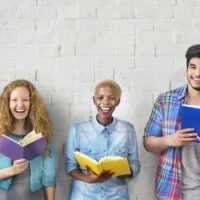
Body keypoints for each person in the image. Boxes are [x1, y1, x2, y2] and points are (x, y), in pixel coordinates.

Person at [66, 80, 140, 200]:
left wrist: (123, 170)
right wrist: (87, 179)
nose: (105, 101)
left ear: (118, 101)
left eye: (112, 98)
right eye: (100, 97)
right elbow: (70, 167)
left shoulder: (128, 129)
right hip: (84, 195)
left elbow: (135, 164)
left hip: (117, 196)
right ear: (94, 100)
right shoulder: (77, 129)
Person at [143, 44, 200, 200]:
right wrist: (170, 140)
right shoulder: (166, 101)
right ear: (187, 70)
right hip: (172, 190)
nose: (197, 73)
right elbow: (147, 143)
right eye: (193, 67)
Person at [0, 79, 57, 200]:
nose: (20, 105)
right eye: (14, 100)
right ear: (7, 103)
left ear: (32, 103)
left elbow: (49, 175)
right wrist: (12, 170)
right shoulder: (1, 133)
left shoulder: (42, 133)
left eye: (25, 100)